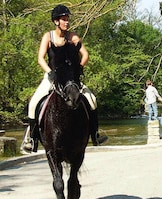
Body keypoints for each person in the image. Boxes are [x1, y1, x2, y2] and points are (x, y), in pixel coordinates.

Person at [21, 4, 107, 153]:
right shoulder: (48, 37)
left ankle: (95, 134)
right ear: (56, 21)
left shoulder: (73, 37)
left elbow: (85, 55)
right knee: (33, 103)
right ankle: (32, 139)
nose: (67, 22)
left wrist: (79, 67)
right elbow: (40, 58)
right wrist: (50, 72)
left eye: (67, 19)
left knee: (91, 99)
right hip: (52, 77)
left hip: (71, 78)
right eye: (63, 19)